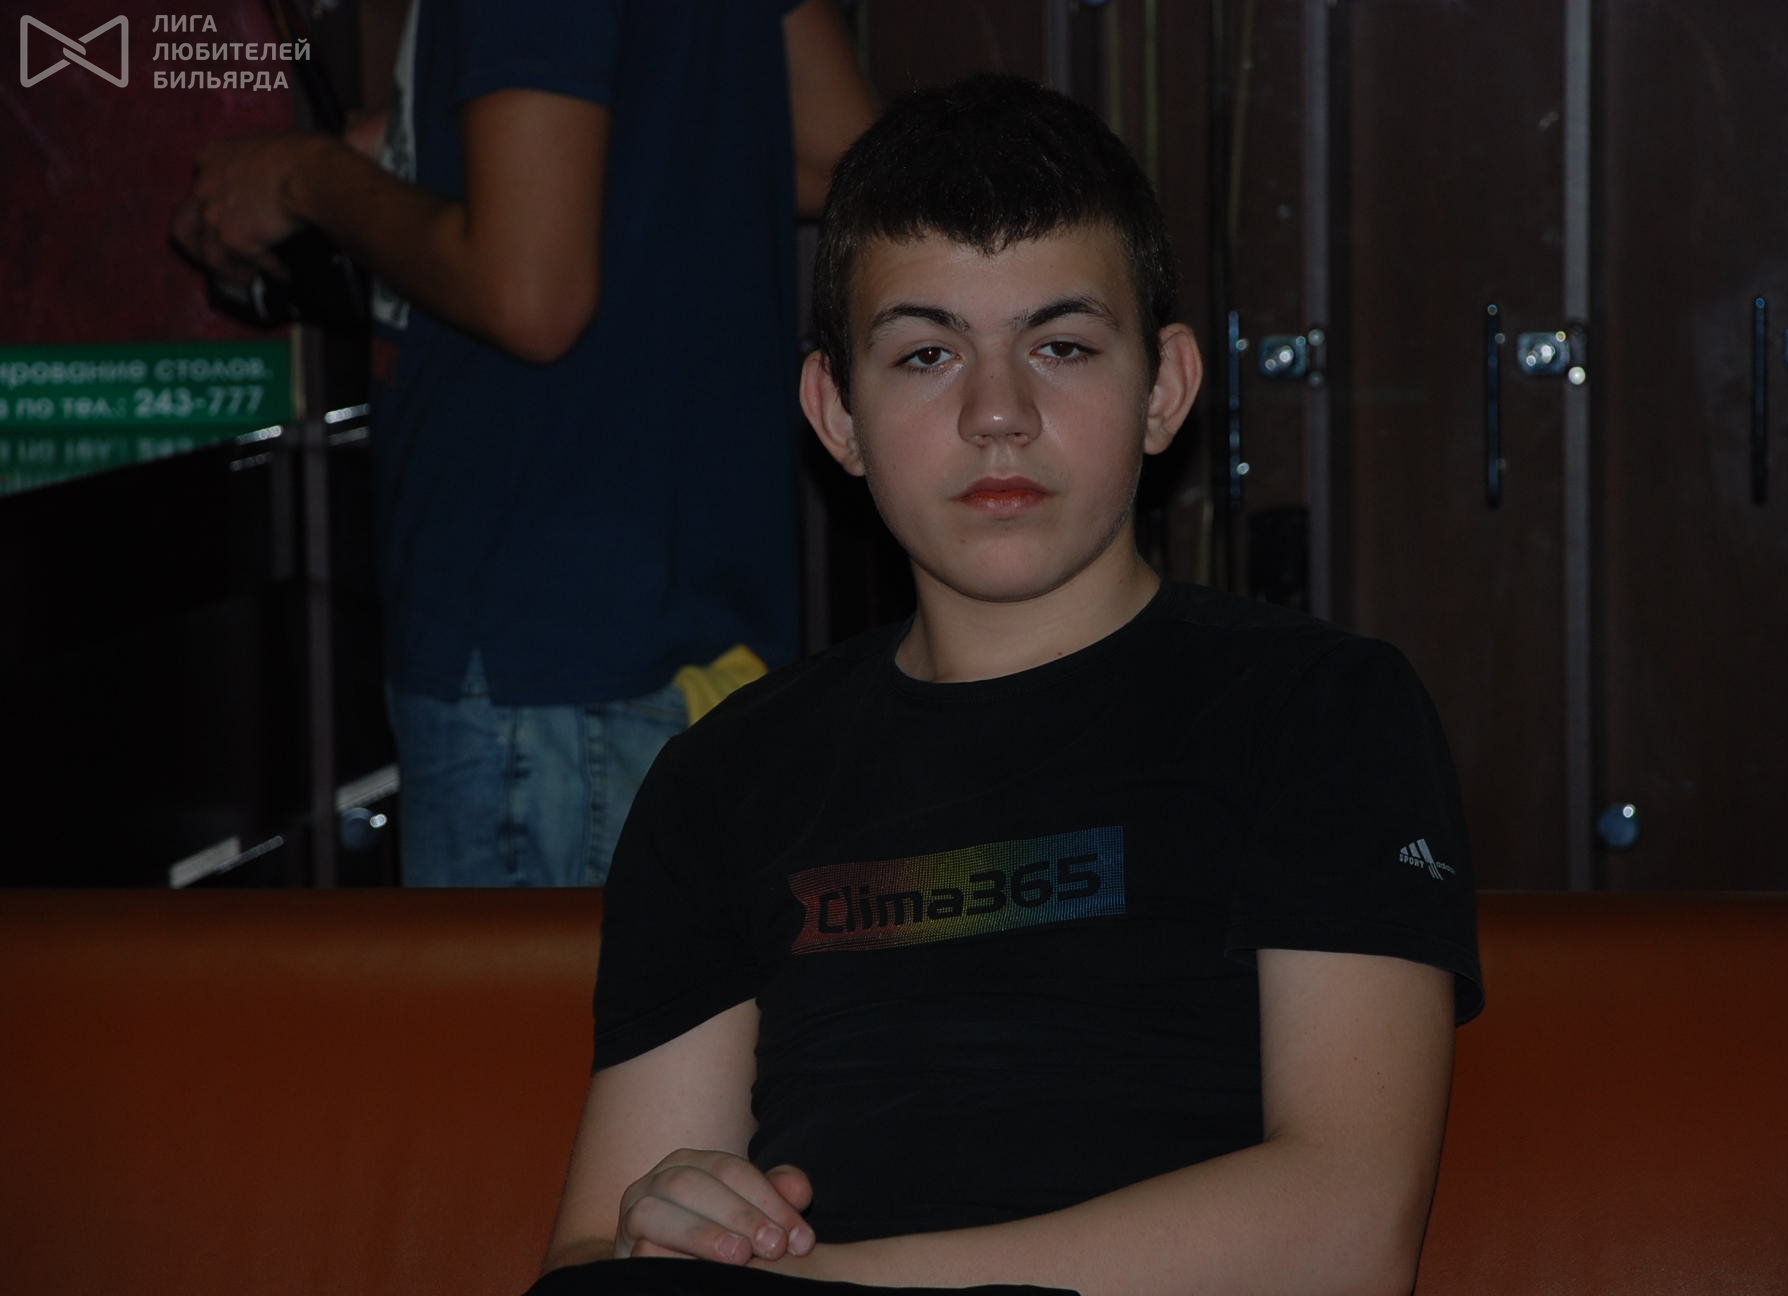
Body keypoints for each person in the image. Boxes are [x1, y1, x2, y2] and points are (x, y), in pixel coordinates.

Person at [535, 74, 1484, 1295]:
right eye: (927, 353)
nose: (998, 414)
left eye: (1062, 346)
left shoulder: (1321, 710)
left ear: (1163, 388)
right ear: (836, 412)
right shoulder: (722, 775)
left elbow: (1347, 1233)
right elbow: (587, 1254)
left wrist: (845, 1285)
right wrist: (663, 1221)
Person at [170, 1, 875, 886]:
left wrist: (304, 180)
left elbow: (529, 299)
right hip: (690, 623)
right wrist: (454, 143)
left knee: (545, 982)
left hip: (541, 656)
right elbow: (838, 146)